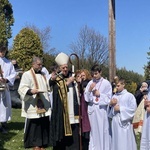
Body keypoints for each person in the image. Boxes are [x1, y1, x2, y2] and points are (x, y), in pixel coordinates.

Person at [18, 56, 51, 150]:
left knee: (43, 123)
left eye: (41, 64)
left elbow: (48, 86)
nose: (40, 66)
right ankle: (35, 143)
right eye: (38, 64)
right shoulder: (27, 75)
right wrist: (30, 91)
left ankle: (43, 143)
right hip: (33, 103)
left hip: (43, 103)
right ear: (33, 64)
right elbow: (21, 88)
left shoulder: (43, 74)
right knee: (35, 125)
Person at [49, 52, 80, 150]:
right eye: (63, 68)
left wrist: (78, 82)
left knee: (74, 129)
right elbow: (55, 90)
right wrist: (67, 82)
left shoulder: (73, 75)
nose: (65, 69)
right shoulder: (57, 78)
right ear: (60, 68)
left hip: (73, 108)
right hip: (62, 110)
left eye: (66, 67)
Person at [84, 64, 112, 150]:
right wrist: (89, 90)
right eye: (93, 74)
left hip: (101, 110)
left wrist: (100, 94)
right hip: (92, 110)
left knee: (103, 131)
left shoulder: (106, 83)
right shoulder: (90, 83)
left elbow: (109, 98)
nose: (94, 76)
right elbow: (86, 98)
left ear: (100, 72)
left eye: (96, 73)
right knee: (94, 132)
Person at [109, 77, 137, 150]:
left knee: (124, 142)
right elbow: (111, 112)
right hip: (115, 122)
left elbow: (133, 110)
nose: (116, 88)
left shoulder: (129, 96)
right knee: (116, 141)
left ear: (123, 84)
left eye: (118, 86)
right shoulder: (114, 96)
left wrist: (120, 109)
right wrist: (111, 104)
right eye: (115, 86)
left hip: (124, 123)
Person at [0, 46, 16, 133]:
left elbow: (13, 74)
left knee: (4, 106)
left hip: (4, 87)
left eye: (4, 51)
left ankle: (4, 125)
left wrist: (6, 79)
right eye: (1, 51)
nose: (2, 53)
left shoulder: (8, 63)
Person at [79, 69, 92, 150]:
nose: (82, 77)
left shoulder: (87, 83)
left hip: (85, 104)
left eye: (83, 75)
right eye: (81, 75)